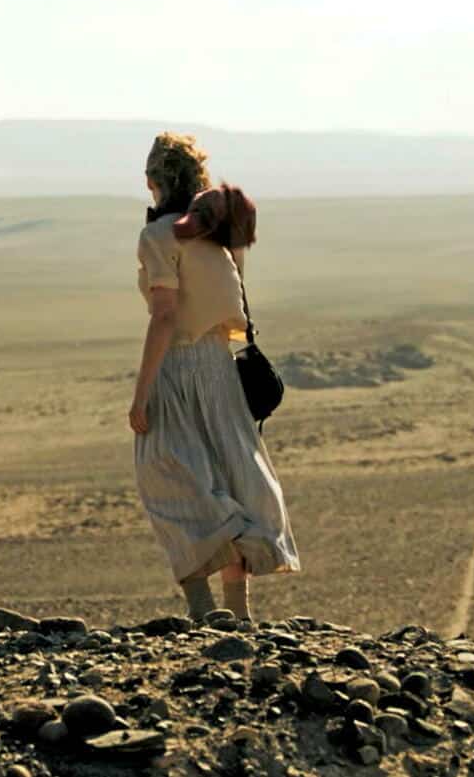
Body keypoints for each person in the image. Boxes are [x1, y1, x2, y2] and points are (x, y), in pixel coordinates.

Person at [130, 132, 300, 622]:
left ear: (154, 181)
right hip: (221, 367)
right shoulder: (217, 233)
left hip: (178, 368)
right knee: (231, 475)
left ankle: (202, 609)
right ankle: (238, 615)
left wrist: (142, 394)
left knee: (168, 479)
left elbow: (165, 316)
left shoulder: (159, 236)